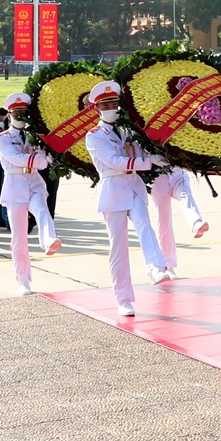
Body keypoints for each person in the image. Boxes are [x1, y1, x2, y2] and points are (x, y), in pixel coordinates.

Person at [83, 81, 162, 317]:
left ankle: (155, 267)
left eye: (114, 104)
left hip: (134, 187)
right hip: (113, 189)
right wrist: (147, 163)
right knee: (118, 248)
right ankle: (123, 298)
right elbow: (114, 162)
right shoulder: (94, 135)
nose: (111, 108)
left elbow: (139, 152)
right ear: (97, 109)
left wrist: (153, 155)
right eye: (106, 105)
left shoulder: (128, 131)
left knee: (144, 225)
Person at [0, 91, 60, 294]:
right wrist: (38, 160)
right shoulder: (2, 138)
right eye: (16, 114)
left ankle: (49, 240)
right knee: (19, 237)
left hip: (34, 183)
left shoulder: (35, 137)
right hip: (15, 186)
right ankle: (23, 279)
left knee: (42, 210)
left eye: (24, 113)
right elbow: (16, 158)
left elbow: (46, 158)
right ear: (9, 115)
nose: (20, 118)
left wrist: (40, 159)